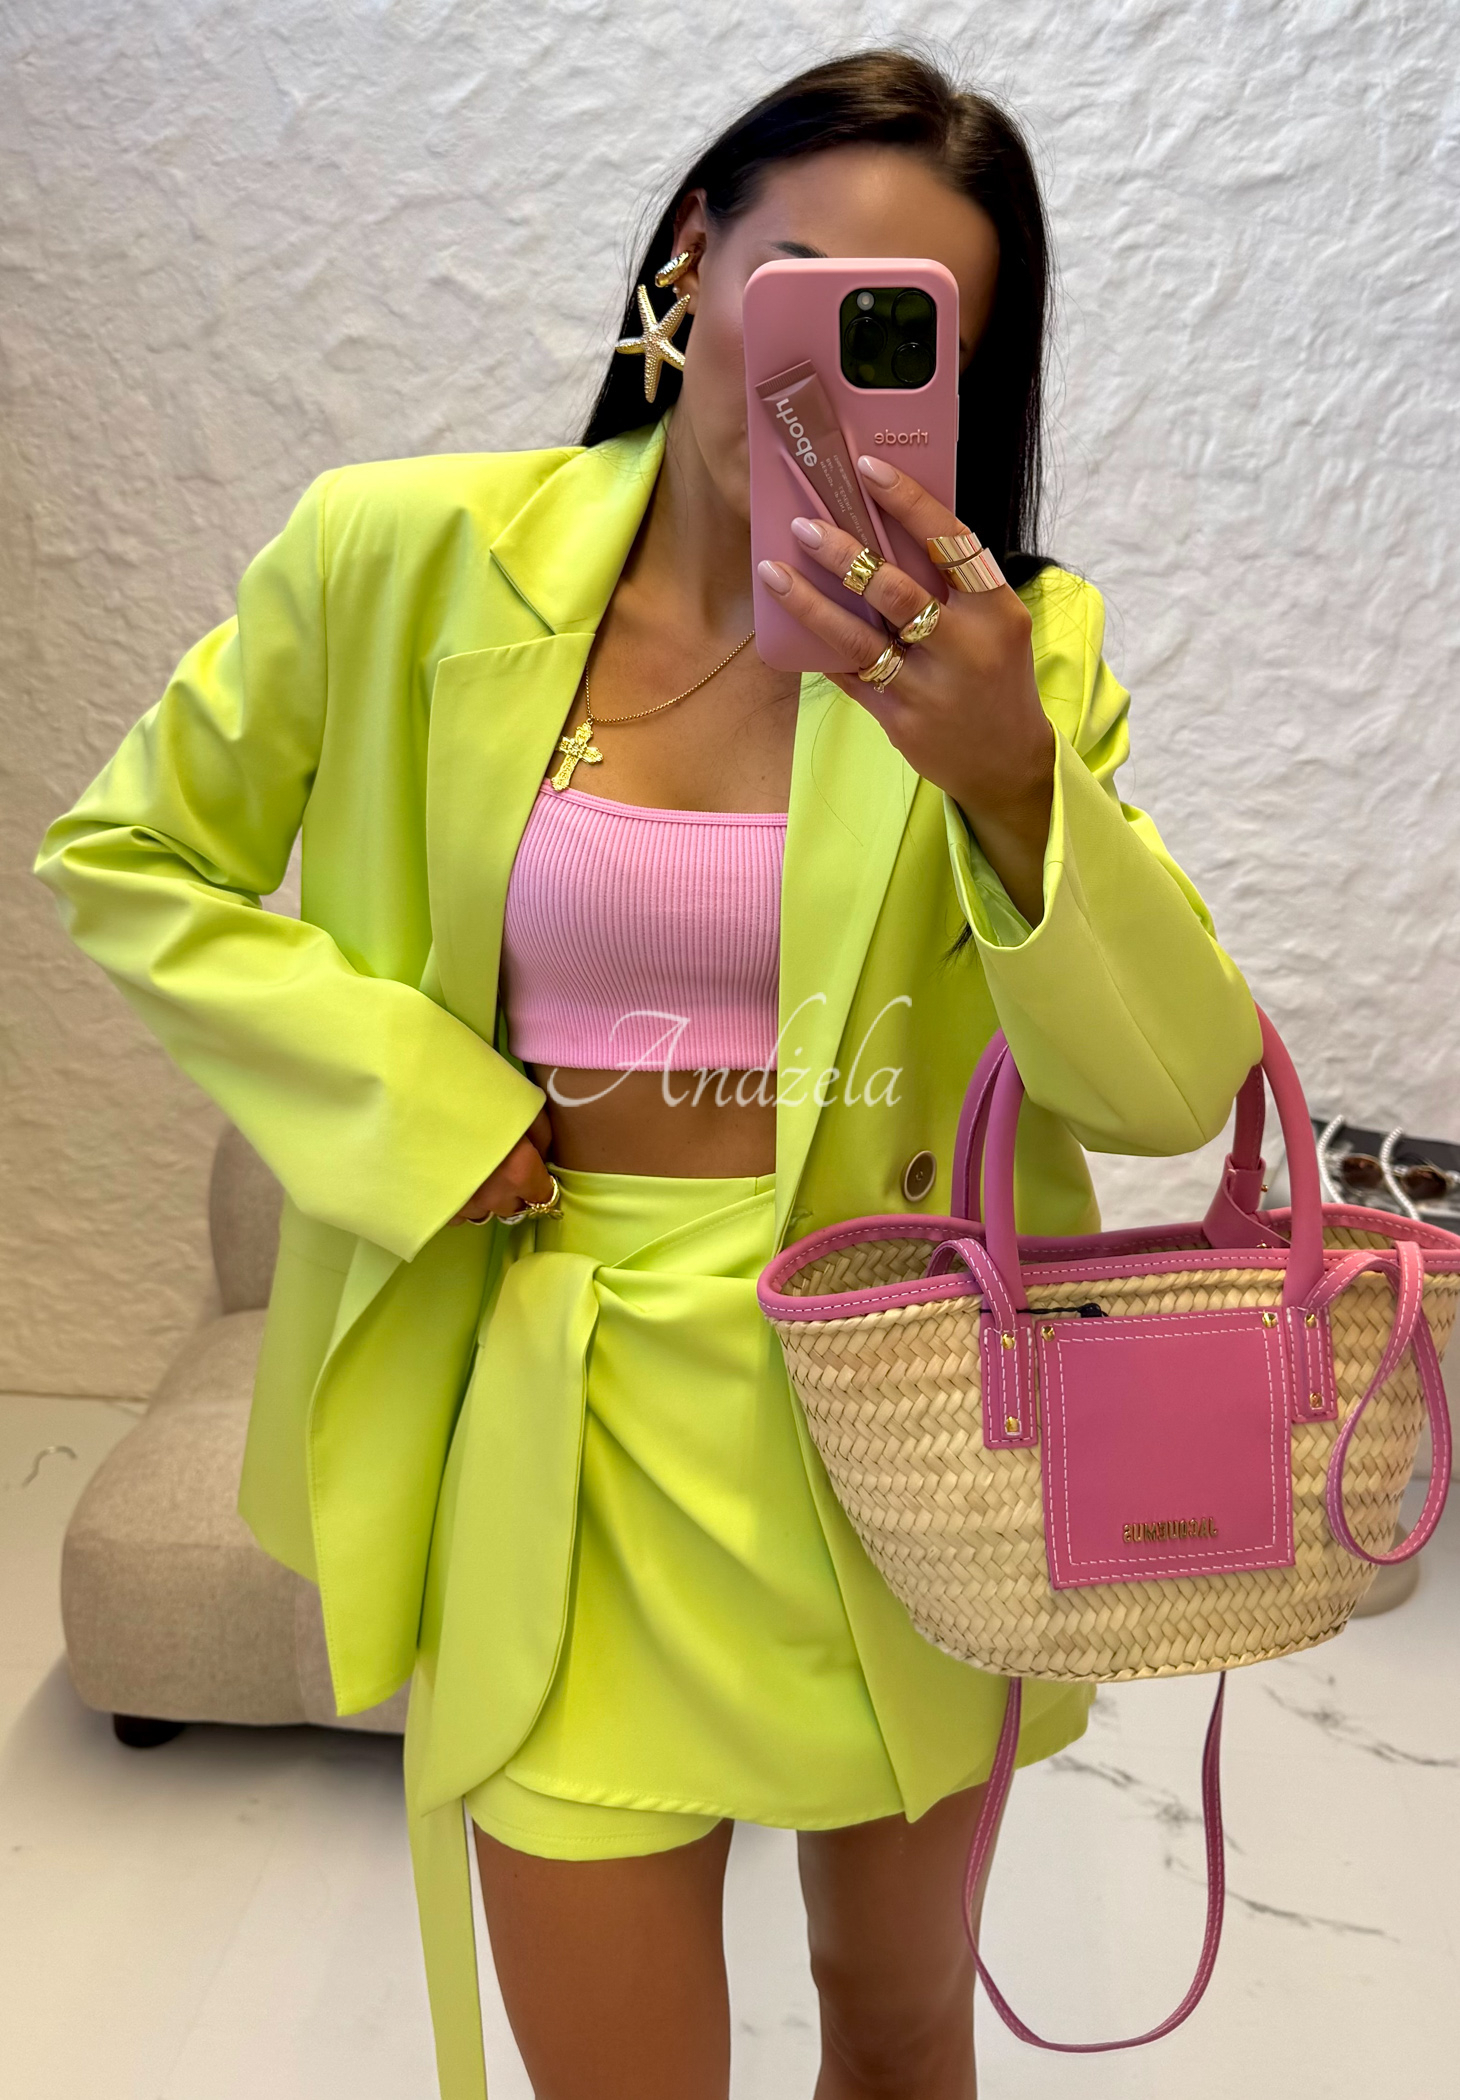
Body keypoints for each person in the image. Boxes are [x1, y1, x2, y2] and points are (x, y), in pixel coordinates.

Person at [35, 48, 1259, 2100]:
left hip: (897, 1419)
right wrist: (418, 1107)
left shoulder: (1017, 654)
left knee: (900, 2027)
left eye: (910, 333)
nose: (831, 377)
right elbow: (129, 853)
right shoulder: (400, 556)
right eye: (805, 285)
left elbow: (1163, 1090)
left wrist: (1009, 781)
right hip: (560, 1415)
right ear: (693, 255)